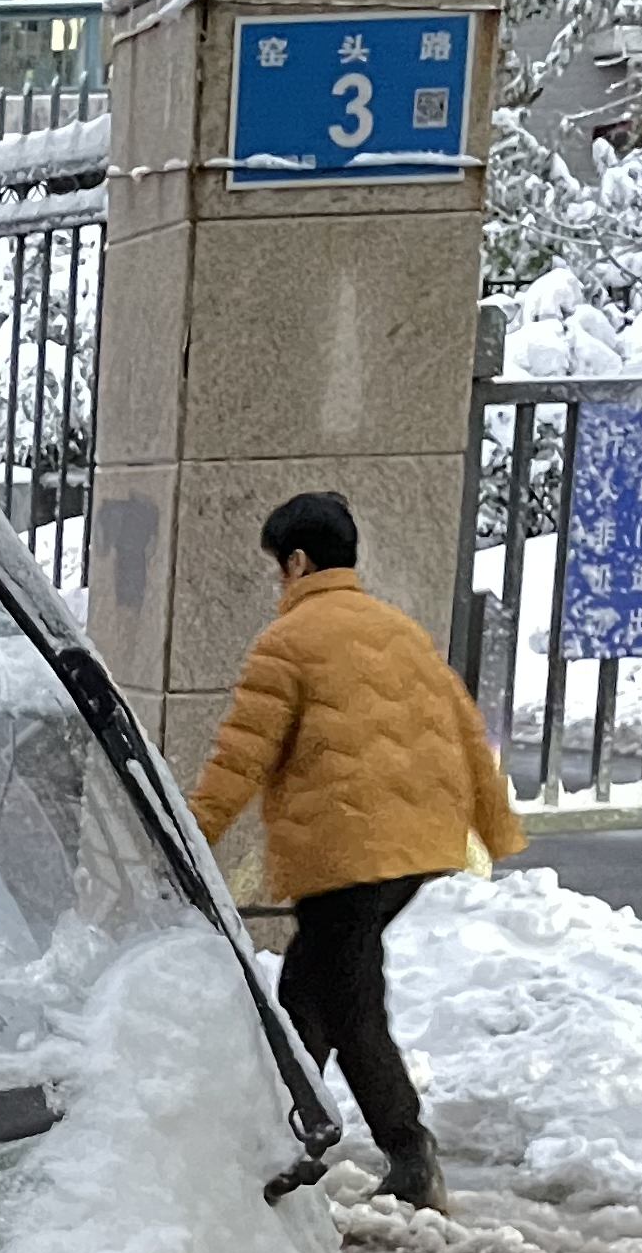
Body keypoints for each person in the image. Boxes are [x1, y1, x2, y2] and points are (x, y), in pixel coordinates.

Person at [186, 490, 522, 1214]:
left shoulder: (290, 640)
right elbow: (467, 732)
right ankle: (298, 1138)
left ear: (298, 560)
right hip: (412, 850)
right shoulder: (397, 629)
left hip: (347, 851)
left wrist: (185, 837)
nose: (280, 581)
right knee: (320, 992)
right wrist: (493, 828)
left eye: (279, 566)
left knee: (345, 1001)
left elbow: (238, 760)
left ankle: (380, 1150)